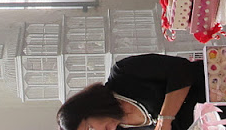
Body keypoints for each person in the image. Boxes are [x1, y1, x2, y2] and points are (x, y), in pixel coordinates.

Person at [56, 53, 208, 130]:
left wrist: (165, 118)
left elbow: (182, 70)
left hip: (214, 84)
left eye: (90, 128)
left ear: (89, 107)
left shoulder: (123, 74)